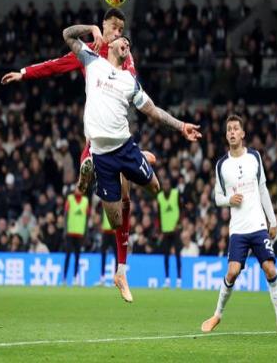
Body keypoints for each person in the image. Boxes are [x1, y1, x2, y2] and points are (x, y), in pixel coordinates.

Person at [1, 7, 151, 302]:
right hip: (98, 137)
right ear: (103, 26)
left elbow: (136, 90)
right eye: (113, 27)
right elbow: (57, 64)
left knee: (125, 199)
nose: (118, 33)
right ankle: (88, 168)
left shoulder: (125, 56)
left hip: (120, 136)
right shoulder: (90, 53)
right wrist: (24, 73)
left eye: (121, 30)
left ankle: (121, 268)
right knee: (101, 171)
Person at [62, 24, 201, 299]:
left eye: (129, 43)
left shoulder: (129, 81)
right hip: (102, 156)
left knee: (155, 188)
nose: (126, 44)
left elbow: (154, 111)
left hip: (124, 148)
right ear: (111, 44)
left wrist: (180, 126)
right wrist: (92, 29)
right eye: (122, 39)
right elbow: (67, 35)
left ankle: (136, 159)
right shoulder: (92, 62)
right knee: (115, 221)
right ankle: (120, 273)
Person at [201, 114, 277, 335]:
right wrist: (229, 200)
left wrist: (272, 220)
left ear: (243, 133)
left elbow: (263, 189)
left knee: (270, 269)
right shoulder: (221, 165)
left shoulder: (254, 157)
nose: (232, 132)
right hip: (238, 229)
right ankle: (217, 315)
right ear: (226, 135)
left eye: (235, 129)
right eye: (229, 129)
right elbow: (217, 198)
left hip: (258, 225)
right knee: (232, 272)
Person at [157, 178, 182, 288]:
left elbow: (182, 209)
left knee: (177, 255)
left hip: (175, 231)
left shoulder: (176, 194)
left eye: (167, 184)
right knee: (166, 256)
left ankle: (179, 280)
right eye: (164, 184)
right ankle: (167, 280)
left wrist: (179, 224)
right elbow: (158, 215)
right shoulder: (160, 197)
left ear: (170, 185)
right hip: (166, 231)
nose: (166, 186)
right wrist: (160, 230)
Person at [63, 188, 90, 285]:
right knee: (68, 256)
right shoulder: (70, 199)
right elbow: (65, 216)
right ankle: (64, 278)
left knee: (77, 257)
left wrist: (86, 233)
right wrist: (65, 230)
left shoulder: (85, 201)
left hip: (80, 234)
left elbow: (87, 219)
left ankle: (75, 278)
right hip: (70, 233)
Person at [99, 206, 118, 285]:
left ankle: (116, 279)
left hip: (114, 232)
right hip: (106, 232)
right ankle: (102, 277)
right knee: (103, 254)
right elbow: (101, 214)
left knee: (117, 256)